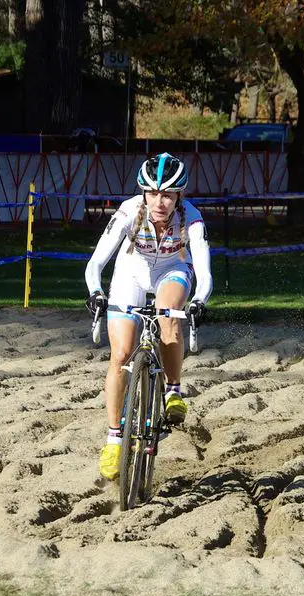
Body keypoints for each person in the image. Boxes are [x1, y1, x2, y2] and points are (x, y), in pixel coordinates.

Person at [84, 153, 212, 481]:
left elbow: (203, 270)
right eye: (153, 193)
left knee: (168, 318)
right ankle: (114, 438)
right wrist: (96, 292)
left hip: (172, 271)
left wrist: (199, 300)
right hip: (132, 273)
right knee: (120, 354)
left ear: (178, 196)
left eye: (167, 195)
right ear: (143, 193)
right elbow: (97, 262)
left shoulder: (192, 219)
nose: (159, 201)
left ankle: (172, 390)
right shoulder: (128, 211)